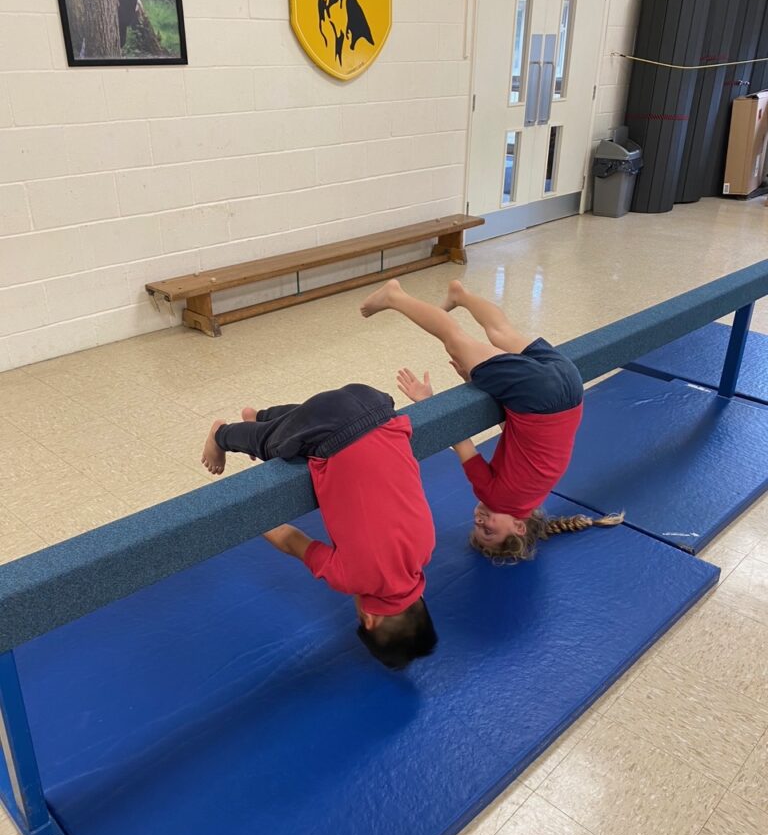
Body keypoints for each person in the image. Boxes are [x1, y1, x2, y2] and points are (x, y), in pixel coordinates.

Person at [360, 278, 623, 562]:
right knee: (454, 339)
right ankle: (394, 296)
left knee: (501, 332)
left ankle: (461, 294)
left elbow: (515, 434)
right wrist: (428, 402)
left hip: (570, 387)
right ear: (520, 527)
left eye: (477, 527)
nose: (481, 521)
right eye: (489, 531)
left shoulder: (535, 493)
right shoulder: (495, 497)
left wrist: (476, 377)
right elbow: (461, 442)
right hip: (536, 397)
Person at [201, 384, 437, 669]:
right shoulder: (351, 578)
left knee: (301, 424)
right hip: (333, 430)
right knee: (274, 447)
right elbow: (289, 539)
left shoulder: (426, 548)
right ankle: (221, 435)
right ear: (370, 619)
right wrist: (243, 511)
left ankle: (262, 416)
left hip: (378, 407)